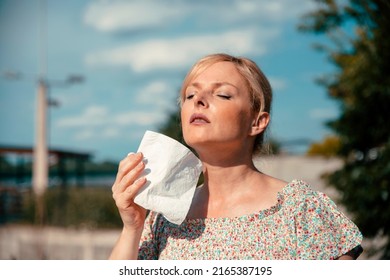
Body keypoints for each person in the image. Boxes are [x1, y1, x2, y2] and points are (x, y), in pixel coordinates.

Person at [109, 53, 363, 260]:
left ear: (257, 122)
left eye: (222, 94)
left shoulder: (300, 209)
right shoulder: (163, 217)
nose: (198, 100)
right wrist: (132, 227)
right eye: (190, 95)